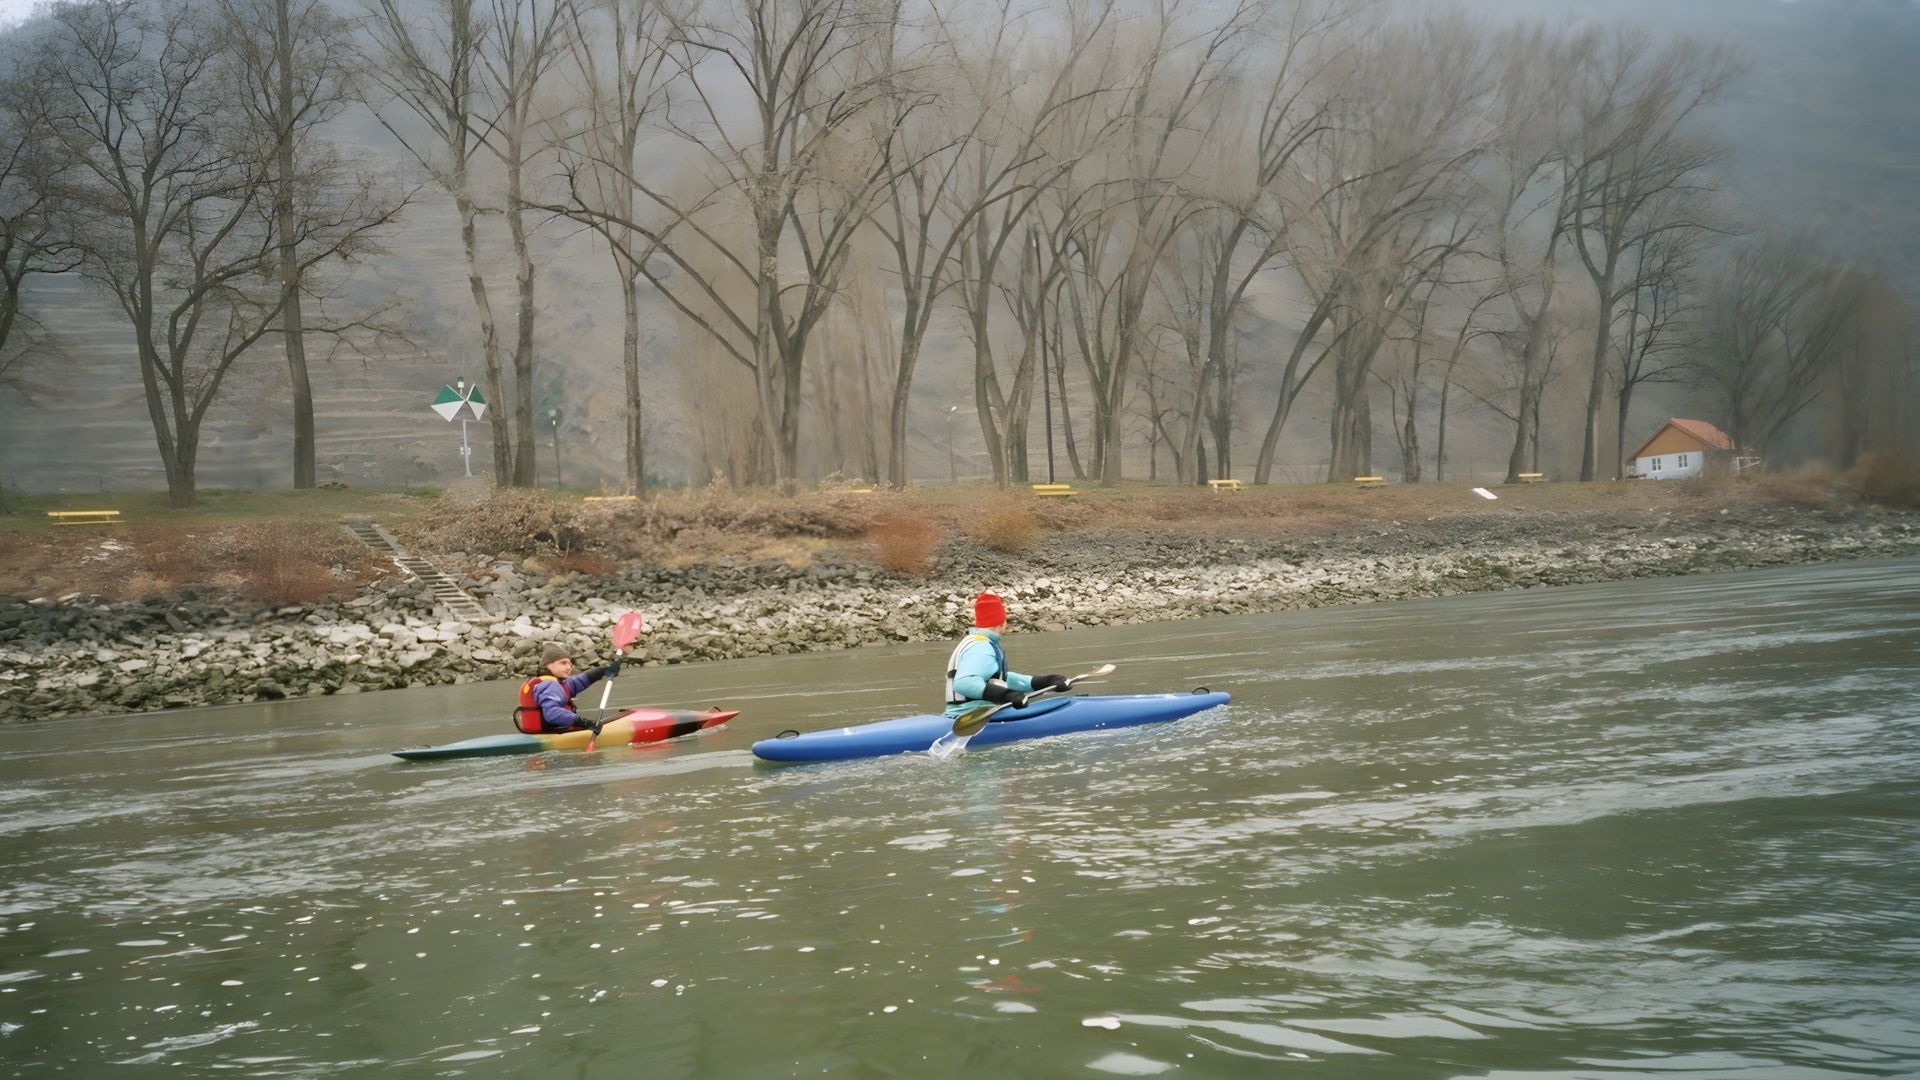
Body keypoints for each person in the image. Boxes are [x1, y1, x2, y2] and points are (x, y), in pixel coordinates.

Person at [944, 591, 1067, 719]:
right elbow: (964, 683)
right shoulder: (982, 647)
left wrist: (1043, 682)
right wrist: (1006, 695)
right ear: (1001, 622)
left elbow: (1000, 680)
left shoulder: (975, 641)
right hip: (974, 715)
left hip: (972, 712)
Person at [514, 643, 620, 734]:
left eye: (570, 664)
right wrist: (582, 722)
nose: (569, 667)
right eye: (563, 663)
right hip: (554, 733)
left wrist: (605, 670)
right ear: (548, 665)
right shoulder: (550, 685)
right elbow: (552, 714)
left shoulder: (553, 683)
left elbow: (580, 681)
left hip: (549, 731)